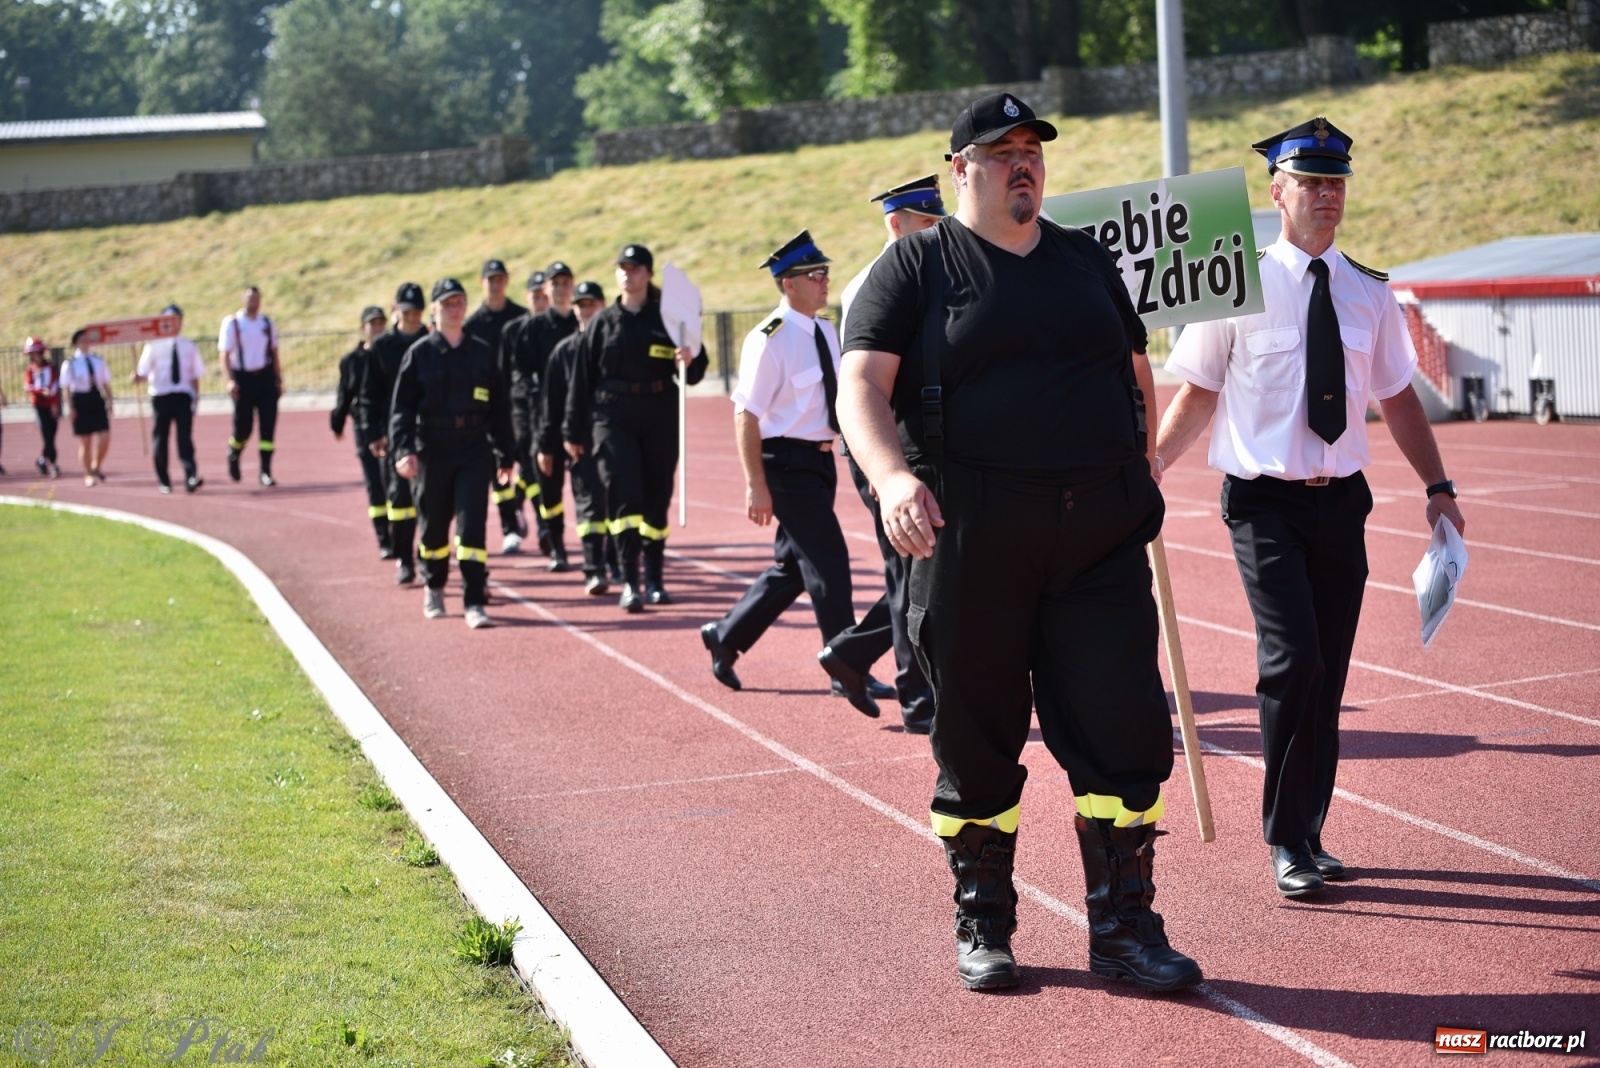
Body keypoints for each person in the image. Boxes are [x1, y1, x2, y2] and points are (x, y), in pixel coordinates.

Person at [838, 92, 1202, 994]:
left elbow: (1133, 369)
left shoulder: (1085, 259)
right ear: (958, 169)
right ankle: (985, 924)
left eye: (1032, 148)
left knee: (1123, 730)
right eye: (1001, 151)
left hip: (1098, 537)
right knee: (976, 736)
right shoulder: (913, 267)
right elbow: (859, 392)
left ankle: (1123, 929)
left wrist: (1144, 466)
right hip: (972, 537)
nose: (1022, 162)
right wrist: (891, 480)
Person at [1155, 117, 1467, 898]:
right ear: (1278, 192)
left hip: (1343, 505)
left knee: (1327, 675)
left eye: (1336, 183)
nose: (1327, 196)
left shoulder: (1368, 291)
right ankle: (1285, 839)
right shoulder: (1238, 282)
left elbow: (1397, 399)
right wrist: (1146, 468)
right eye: (1311, 182)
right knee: (1292, 662)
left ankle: (1310, 831)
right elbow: (1197, 394)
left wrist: (1439, 489)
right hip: (1264, 503)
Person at [699, 231, 863, 696]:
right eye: (815, 274)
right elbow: (745, 412)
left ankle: (725, 636)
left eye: (826, 272)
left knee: (793, 568)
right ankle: (845, 663)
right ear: (788, 284)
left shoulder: (825, 329)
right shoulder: (768, 339)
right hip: (785, 463)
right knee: (829, 560)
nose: (825, 280)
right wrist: (756, 485)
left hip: (819, 462)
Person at [818, 174, 946, 732]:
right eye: (926, 223)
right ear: (897, 225)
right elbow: (867, 384)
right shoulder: (873, 282)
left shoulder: (927, 270)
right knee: (910, 567)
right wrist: (884, 466)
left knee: (920, 567)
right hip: (883, 444)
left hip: (914, 443)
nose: (937, 232)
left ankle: (850, 654)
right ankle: (916, 697)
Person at [563, 244, 708, 612]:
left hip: (659, 414)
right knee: (624, 495)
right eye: (623, 268)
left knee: (657, 499)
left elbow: (695, 372)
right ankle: (630, 581)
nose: (629, 274)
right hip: (612, 420)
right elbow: (581, 380)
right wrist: (572, 432)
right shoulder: (601, 322)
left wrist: (689, 357)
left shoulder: (669, 317)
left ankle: (655, 580)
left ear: (648, 273)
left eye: (636, 268)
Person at [390, 278, 516, 629]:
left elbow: (499, 409)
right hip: (433, 449)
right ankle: (434, 585)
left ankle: (474, 599)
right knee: (433, 527)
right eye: (446, 304)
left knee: (472, 524)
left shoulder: (481, 352)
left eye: (459, 302)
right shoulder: (419, 354)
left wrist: (506, 455)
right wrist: (403, 449)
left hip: (474, 449)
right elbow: (401, 409)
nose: (454, 309)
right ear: (434, 309)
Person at [538, 280, 617, 593]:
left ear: (603, 306)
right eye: (581, 305)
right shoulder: (563, 353)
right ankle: (593, 569)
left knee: (616, 503)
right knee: (589, 506)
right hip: (579, 441)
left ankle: (615, 562)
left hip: (613, 436)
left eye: (592, 304)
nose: (586, 310)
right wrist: (547, 445)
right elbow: (551, 405)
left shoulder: (615, 345)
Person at [504, 261, 580, 566]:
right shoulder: (532, 329)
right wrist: (542, 393)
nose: (561, 289)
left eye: (565, 283)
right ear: (545, 289)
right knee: (549, 486)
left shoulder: (581, 322)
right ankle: (557, 546)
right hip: (543, 422)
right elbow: (519, 373)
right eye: (555, 284)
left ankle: (599, 553)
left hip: (578, 420)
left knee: (589, 484)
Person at [361, 283, 430, 584]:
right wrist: (373, 432)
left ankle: (428, 555)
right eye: (406, 311)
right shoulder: (382, 347)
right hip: (395, 435)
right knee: (400, 500)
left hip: (429, 432)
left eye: (416, 311)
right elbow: (369, 394)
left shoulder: (432, 340)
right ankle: (404, 557)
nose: (412, 316)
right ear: (395, 310)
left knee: (429, 499)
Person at [464, 259, 528, 551]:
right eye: (490, 279)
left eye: (499, 278)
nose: (495, 284)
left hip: (520, 404)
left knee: (527, 463)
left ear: (507, 281)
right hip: (486, 406)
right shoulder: (472, 325)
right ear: (482, 283)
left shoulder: (521, 317)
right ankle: (510, 527)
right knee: (496, 467)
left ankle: (520, 507)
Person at [332, 305, 392, 555]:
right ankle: (383, 539)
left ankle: (401, 534)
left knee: (394, 484)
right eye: (372, 324)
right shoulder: (352, 361)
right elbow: (344, 394)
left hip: (390, 425)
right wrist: (337, 422)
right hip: (364, 428)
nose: (377, 328)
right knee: (374, 483)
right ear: (362, 328)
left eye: (381, 323)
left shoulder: (392, 353)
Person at [133, 304, 206, 493]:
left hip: (182, 396)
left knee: (185, 439)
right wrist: (137, 377)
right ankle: (163, 479)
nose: (172, 324)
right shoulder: (153, 344)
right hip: (161, 396)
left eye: (176, 320)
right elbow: (143, 371)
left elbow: (194, 375)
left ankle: (190, 476)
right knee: (161, 439)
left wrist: (195, 399)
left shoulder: (188, 346)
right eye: (168, 320)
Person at [62, 329, 114, 487]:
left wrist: (110, 401)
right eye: (82, 340)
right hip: (81, 399)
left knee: (105, 436)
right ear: (76, 343)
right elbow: (66, 388)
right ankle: (88, 474)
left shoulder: (98, 359)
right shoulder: (70, 363)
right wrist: (70, 407)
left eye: (87, 340)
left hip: (96, 398)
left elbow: (105, 382)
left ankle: (96, 465)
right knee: (86, 441)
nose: (85, 343)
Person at [23, 337, 61, 478]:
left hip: (50, 405)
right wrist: (40, 391)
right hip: (39, 406)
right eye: (32, 354)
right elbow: (28, 386)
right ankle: (52, 464)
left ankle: (41, 460)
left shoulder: (50, 368)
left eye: (36, 353)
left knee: (52, 433)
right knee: (47, 435)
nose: (34, 356)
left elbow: (54, 387)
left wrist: (54, 403)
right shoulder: (31, 370)